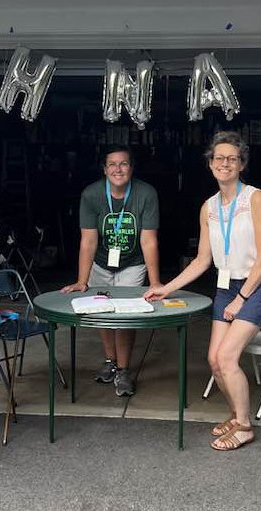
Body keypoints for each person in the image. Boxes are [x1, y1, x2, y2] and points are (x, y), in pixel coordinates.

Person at [145, 131, 261, 451]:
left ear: (241, 164)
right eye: (219, 158)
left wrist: (241, 298)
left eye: (232, 159)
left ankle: (246, 426)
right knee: (213, 359)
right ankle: (236, 415)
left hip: (260, 282)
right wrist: (165, 288)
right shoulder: (208, 207)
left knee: (227, 356)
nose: (225, 163)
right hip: (228, 282)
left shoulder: (255, 198)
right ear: (210, 165)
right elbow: (202, 260)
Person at [61, 145, 161, 397]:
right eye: (113, 164)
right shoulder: (92, 194)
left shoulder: (146, 193)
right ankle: (110, 361)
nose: (118, 169)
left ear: (131, 168)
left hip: (133, 262)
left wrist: (155, 282)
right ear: (105, 170)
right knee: (102, 309)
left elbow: (148, 240)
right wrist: (82, 280)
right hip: (101, 262)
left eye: (124, 164)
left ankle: (124, 370)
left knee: (125, 316)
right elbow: (88, 241)